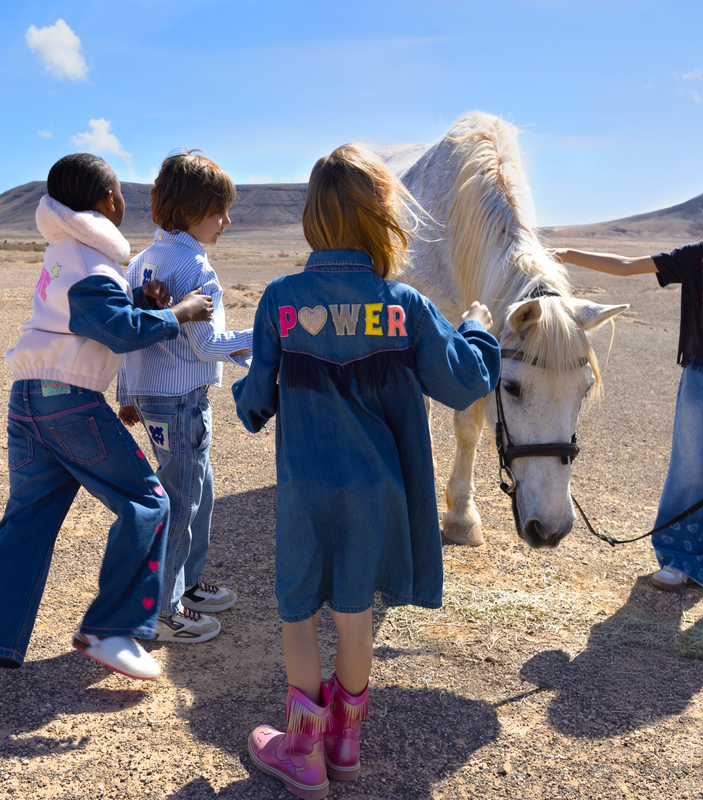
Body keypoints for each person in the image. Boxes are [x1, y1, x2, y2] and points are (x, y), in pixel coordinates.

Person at [232, 143, 501, 800]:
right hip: (377, 491)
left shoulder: (281, 299)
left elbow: (256, 404)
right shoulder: (404, 304)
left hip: (305, 491)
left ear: (313, 215)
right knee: (355, 614)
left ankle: (302, 752)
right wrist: (477, 328)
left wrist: (247, 386)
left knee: (299, 612)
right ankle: (344, 745)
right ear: (383, 213)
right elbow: (466, 381)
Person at [552, 162, 703, 622]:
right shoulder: (700, 255)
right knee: (690, 469)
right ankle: (681, 561)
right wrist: (565, 253)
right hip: (700, 378)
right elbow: (628, 266)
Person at [0, 153, 214, 680]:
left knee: (28, 518)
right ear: (106, 201)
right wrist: (178, 313)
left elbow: (89, 316)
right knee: (148, 503)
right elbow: (118, 331)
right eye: (118, 191)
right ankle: (112, 628)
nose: (123, 199)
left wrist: (137, 298)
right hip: (68, 402)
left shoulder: (63, 253)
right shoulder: (92, 264)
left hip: (28, 396)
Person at [117, 150, 252, 644]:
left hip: (152, 400)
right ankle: (162, 610)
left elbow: (130, 334)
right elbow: (208, 345)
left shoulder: (140, 262)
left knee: (198, 491)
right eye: (219, 211)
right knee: (181, 502)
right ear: (193, 210)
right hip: (181, 404)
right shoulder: (195, 267)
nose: (226, 222)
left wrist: (126, 394)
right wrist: (265, 339)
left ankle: (187, 583)